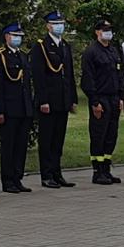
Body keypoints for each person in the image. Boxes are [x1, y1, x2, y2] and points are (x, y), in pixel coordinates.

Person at [30, 11, 77, 188]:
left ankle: (57, 173)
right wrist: (43, 100)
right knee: (47, 139)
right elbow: (39, 76)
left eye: (61, 23)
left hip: (62, 100)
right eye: (56, 24)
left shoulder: (65, 45)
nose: (60, 27)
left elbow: (69, 74)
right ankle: (47, 174)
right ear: (48, 26)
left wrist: (72, 99)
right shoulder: (41, 46)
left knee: (58, 139)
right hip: (49, 100)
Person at [0, 22, 37, 193]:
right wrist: (0, 110)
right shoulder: (0, 56)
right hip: (9, 108)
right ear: (7, 37)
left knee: (20, 146)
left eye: (19, 36)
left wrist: (29, 107)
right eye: (14, 35)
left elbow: (26, 84)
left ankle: (17, 178)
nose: (18, 38)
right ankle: (7, 180)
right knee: (9, 146)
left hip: (24, 107)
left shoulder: (23, 56)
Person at [80, 18, 124, 185]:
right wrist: (94, 102)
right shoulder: (91, 52)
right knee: (99, 134)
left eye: (109, 30)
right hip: (100, 98)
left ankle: (106, 169)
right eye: (105, 30)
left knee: (111, 135)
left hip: (114, 98)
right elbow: (88, 79)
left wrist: (121, 97)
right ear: (97, 32)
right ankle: (97, 171)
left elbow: (119, 75)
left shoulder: (113, 51)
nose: (108, 33)